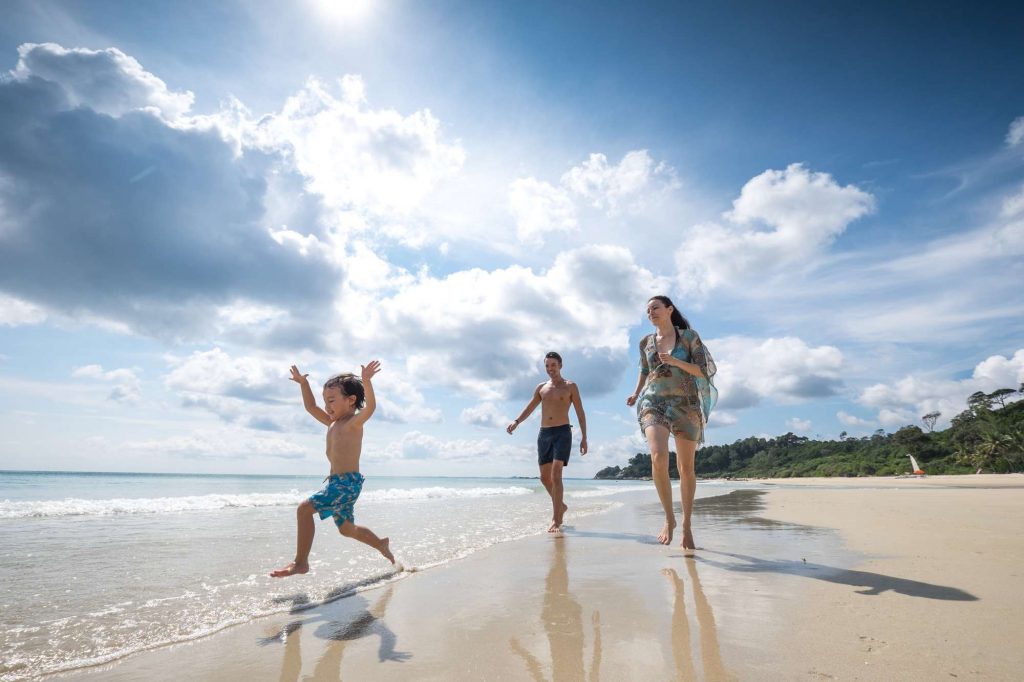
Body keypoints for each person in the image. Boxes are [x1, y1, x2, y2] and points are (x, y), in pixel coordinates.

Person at [271, 362, 394, 578]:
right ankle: (380, 544)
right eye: (325, 401)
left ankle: (301, 563)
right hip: (337, 483)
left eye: (331, 401)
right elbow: (311, 407)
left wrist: (366, 381)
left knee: (304, 509)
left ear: (351, 400)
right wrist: (303, 384)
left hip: (346, 483)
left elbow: (371, 408)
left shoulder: (353, 423)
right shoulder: (331, 422)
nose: (327, 406)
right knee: (346, 529)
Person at [626, 296, 717, 549]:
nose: (650, 312)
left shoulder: (689, 337)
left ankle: (686, 524)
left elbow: (703, 370)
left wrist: (676, 361)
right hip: (653, 401)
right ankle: (669, 518)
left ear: (669, 309)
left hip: (686, 404)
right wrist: (636, 392)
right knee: (658, 456)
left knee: (686, 468)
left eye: (655, 307)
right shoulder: (645, 342)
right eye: (647, 310)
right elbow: (644, 370)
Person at [507, 351, 588, 532]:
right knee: (544, 478)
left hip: (562, 432)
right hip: (544, 433)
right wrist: (516, 421)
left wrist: (584, 437)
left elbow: (580, 413)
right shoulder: (541, 388)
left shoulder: (570, 386)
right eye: (547, 366)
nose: (550, 369)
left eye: (553, 365)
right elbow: (530, 407)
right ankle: (561, 506)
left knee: (556, 474)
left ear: (560, 365)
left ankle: (556, 519)